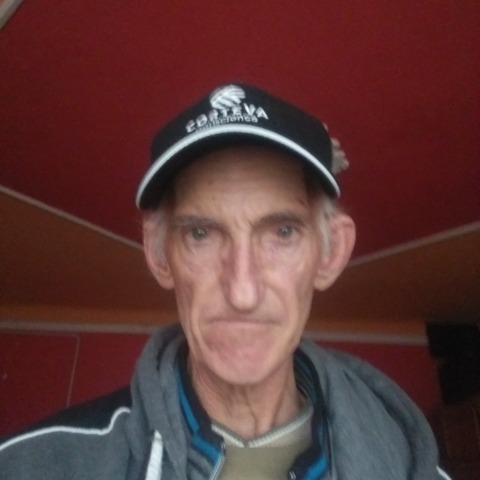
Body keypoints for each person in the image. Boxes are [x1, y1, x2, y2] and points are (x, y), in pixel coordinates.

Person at [0, 83, 451, 479]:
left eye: (283, 232)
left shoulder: (410, 463)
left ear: (331, 253)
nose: (242, 292)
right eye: (201, 233)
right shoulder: (33, 466)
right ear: (159, 255)